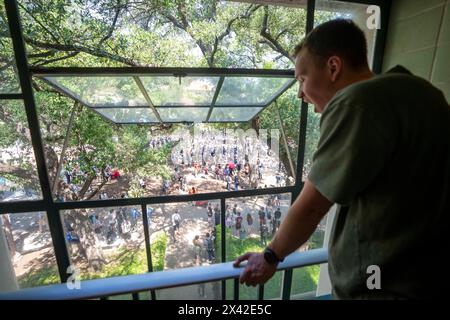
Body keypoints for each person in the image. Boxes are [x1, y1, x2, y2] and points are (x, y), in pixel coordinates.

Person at [233, 19, 450, 299]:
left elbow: (313, 206)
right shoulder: (424, 93)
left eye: (302, 78)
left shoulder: (355, 102)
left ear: (333, 67)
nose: (300, 93)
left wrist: (270, 256)